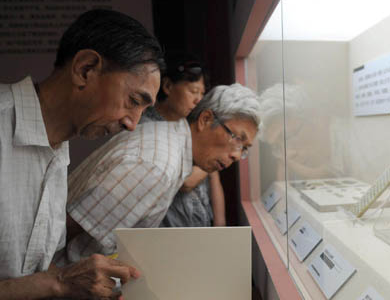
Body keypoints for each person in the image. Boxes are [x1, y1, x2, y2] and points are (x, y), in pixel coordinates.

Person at [0, 9, 164, 300]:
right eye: (134, 100)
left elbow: (27, 271)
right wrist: (57, 282)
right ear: (86, 69)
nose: (133, 124)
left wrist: (80, 295)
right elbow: (44, 278)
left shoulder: (60, 151)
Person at [64, 82, 259, 271]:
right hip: (62, 287)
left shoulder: (167, 140)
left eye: (244, 149)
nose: (236, 154)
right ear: (205, 119)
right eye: (237, 138)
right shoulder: (159, 167)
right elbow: (69, 229)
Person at [141, 52, 226, 227]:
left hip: (203, 225)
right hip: (172, 235)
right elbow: (186, 181)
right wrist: (214, 161)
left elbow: (214, 177)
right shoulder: (146, 127)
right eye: (193, 91)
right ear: (168, 86)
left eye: (202, 93)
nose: (199, 100)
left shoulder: (192, 124)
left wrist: (221, 224)